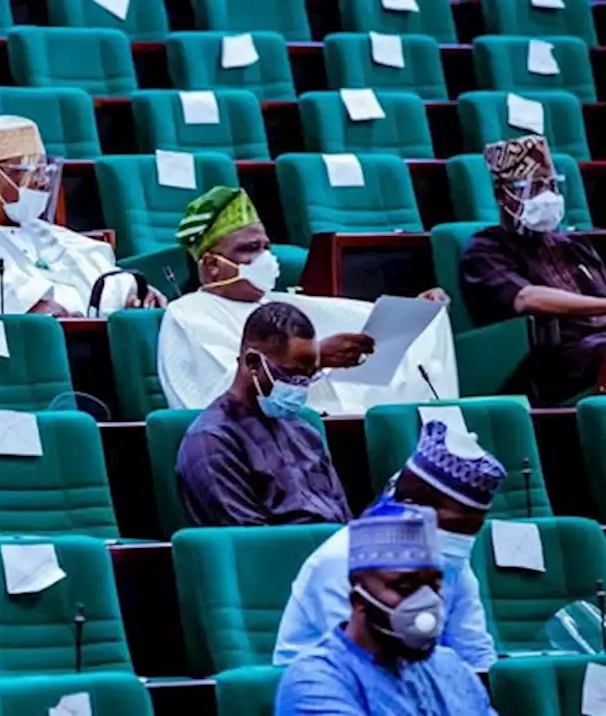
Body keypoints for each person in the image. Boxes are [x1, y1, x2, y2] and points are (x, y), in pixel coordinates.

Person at [157, 186, 458, 414]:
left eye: (266, 247)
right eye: (250, 249)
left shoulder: (278, 305)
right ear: (212, 265)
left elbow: (369, 325)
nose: (264, 258)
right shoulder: (190, 314)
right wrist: (314, 357)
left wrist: (415, 310)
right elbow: (228, 398)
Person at [274, 420, 504, 669]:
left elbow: (475, 656)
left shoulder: (453, 566)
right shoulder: (342, 560)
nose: (462, 540)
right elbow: (366, 661)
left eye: (472, 530)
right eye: (454, 526)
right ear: (409, 506)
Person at [0, 115, 167, 319]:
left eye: (45, 171)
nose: (43, 183)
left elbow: (99, 279)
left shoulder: (48, 234)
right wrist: (34, 310)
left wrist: (136, 293)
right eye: (31, 171)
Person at [274, 500, 497, 715]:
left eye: (434, 586)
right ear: (358, 597)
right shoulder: (315, 680)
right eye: (405, 587)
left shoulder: (452, 669)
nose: (426, 600)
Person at [176, 302, 351, 527]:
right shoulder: (212, 441)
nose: (301, 386)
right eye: (292, 375)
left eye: (310, 376)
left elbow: (344, 520)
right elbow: (252, 544)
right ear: (252, 364)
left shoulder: (305, 432)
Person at [461, 134, 606, 404]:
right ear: (501, 196)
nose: (547, 197)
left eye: (551, 186)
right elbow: (527, 297)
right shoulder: (487, 248)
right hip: (558, 355)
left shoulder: (575, 243)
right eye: (534, 188)